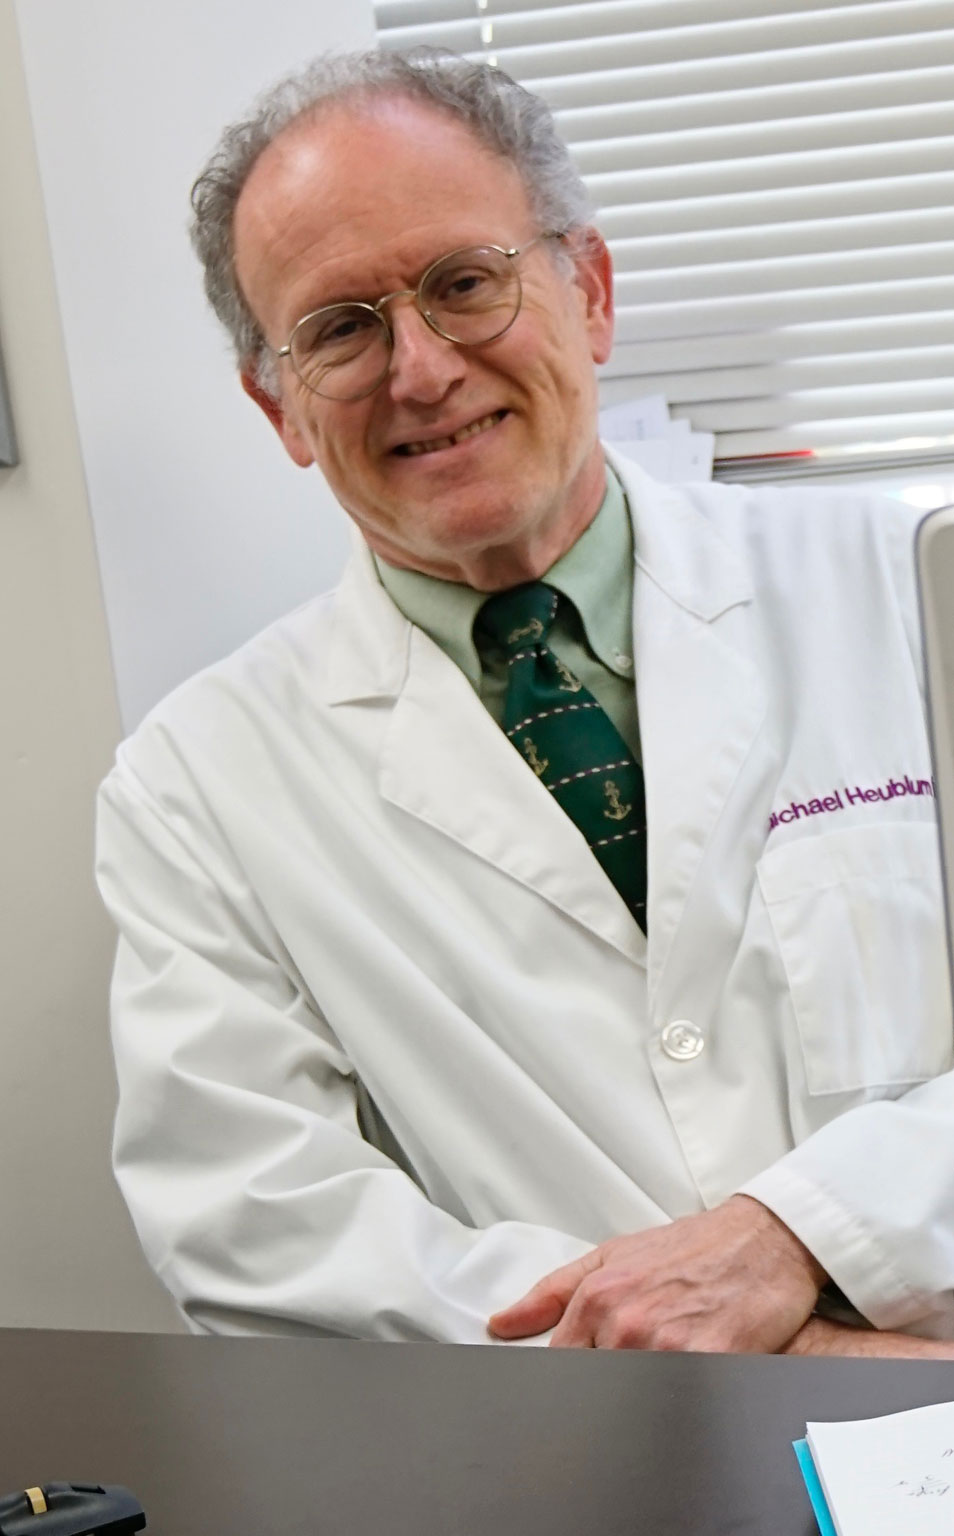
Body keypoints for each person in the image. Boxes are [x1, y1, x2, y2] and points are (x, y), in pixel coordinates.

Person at [96, 47, 954, 1354]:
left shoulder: (901, 587)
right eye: (338, 329)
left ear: (589, 292)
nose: (420, 370)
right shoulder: (195, 787)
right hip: (580, 1468)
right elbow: (259, 1234)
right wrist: (753, 1355)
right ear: (277, 405)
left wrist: (799, 1235)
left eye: (461, 285)